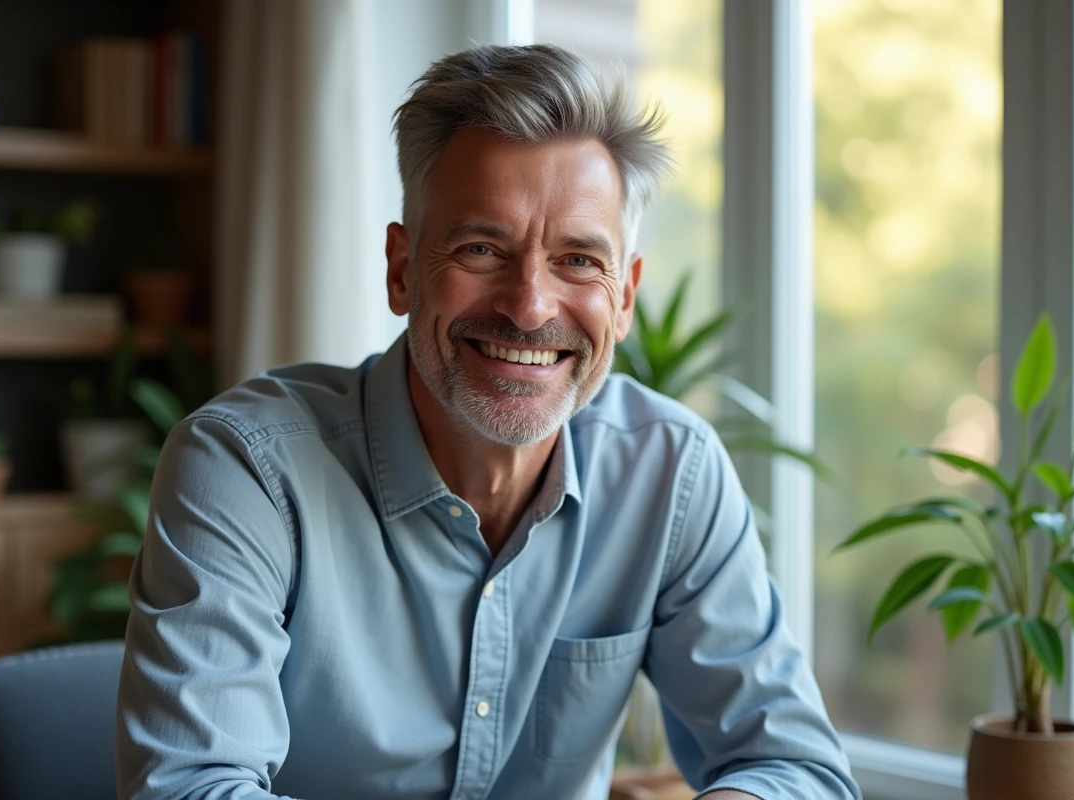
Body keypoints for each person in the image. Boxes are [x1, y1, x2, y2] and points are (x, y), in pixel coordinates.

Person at [116, 44, 860, 800]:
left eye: (577, 261)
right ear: (403, 270)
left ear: (625, 296)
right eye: (481, 248)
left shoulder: (671, 471)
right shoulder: (245, 468)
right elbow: (189, 788)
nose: (530, 306)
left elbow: (797, 767)